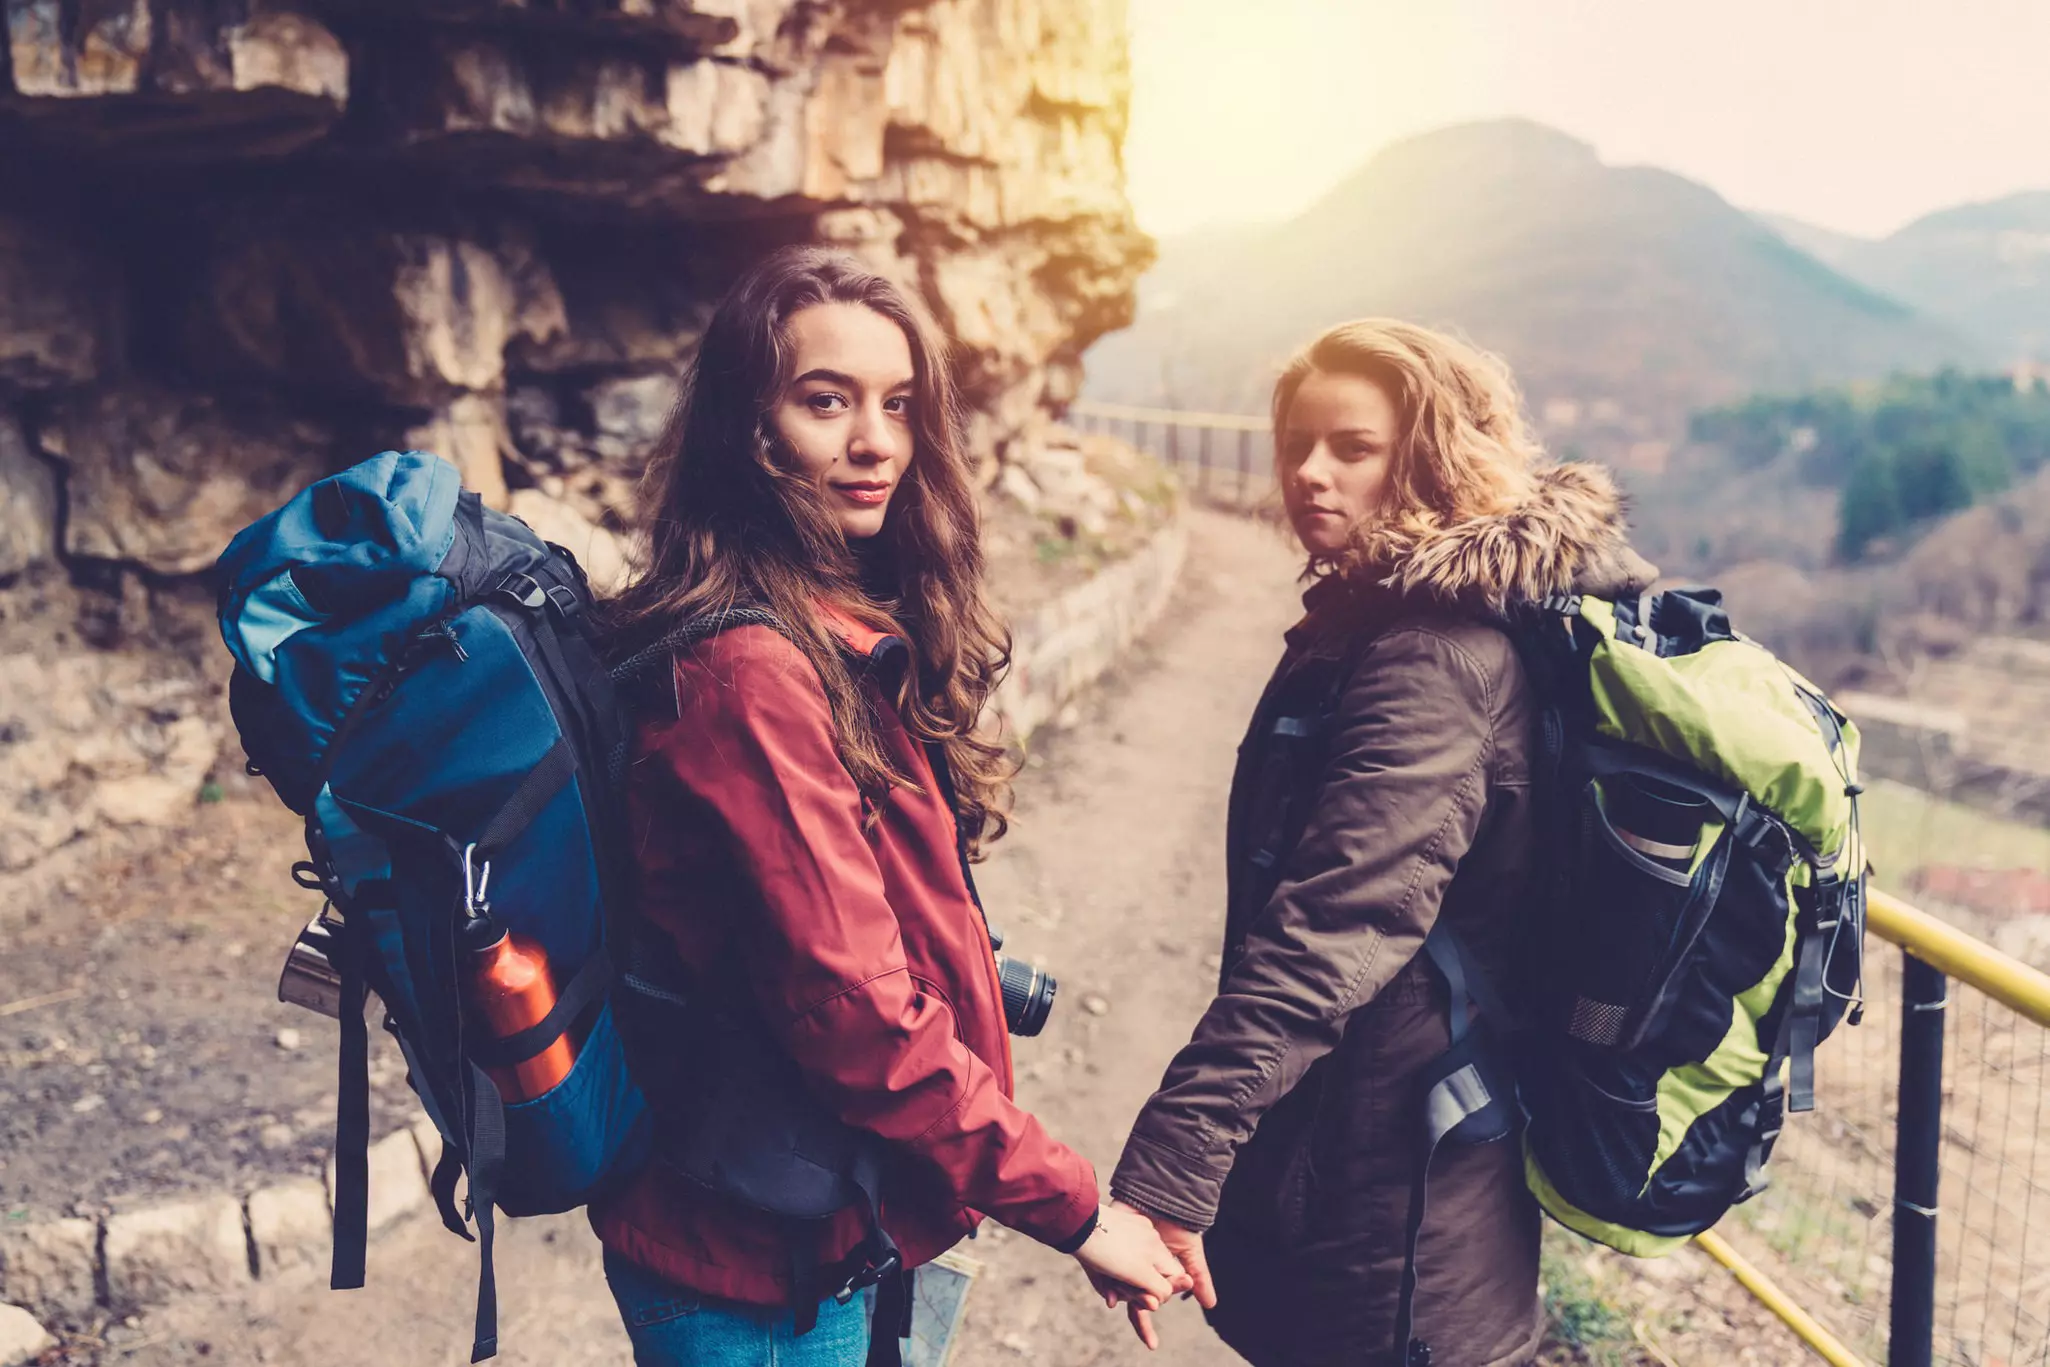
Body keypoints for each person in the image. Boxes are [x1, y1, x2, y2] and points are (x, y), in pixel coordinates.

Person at [590, 245, 1189, 1367]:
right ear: (748, 424)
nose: (874, 442)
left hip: (827, 1219)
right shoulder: (752, 675)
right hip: (762, 1271)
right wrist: (1077, 1209)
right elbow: (855, 1011)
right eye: (827, 401)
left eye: (899, 405)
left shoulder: (826, 623)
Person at [1100, 320, 1659, 1366]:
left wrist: (1171, 1163)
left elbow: (1334, 925)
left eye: (1351, 447)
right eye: (1297, 442)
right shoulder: (1372, 617)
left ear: (1429, 455)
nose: (1310, 472)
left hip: (1404, 1186)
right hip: (1366, 1147)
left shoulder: (1434, 655)